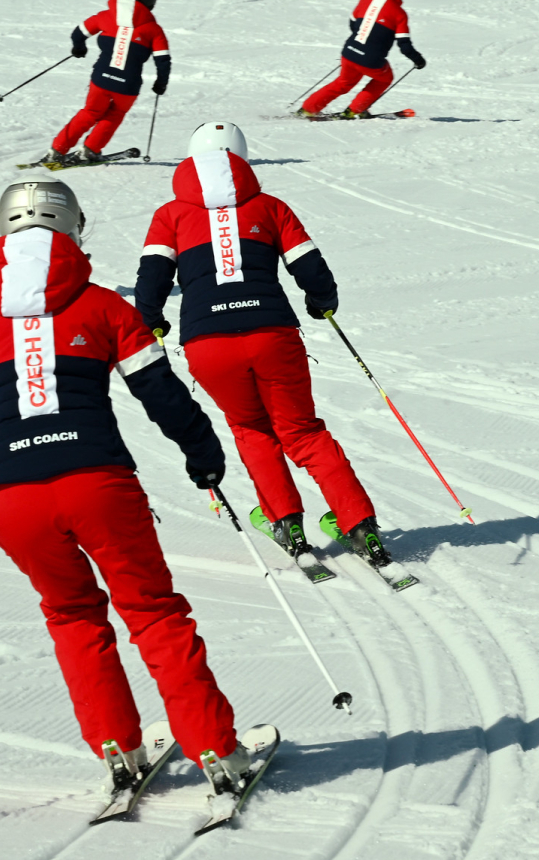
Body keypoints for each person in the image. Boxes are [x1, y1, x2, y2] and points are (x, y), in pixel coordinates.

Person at [0, 176, 271, 796]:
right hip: (99, 485)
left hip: (15, 500)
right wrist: (205, 457)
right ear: (73, 228)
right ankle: (219, 754)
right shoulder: (103, 305)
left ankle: (119, 749)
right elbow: (161, 394)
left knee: (71, 617)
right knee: (154, 613)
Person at [132, 122, 391, 566]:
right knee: (303, 431)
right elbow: (308, 266)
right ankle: (358, 525)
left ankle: (285, 522)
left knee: (252, 428)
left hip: (207, 343)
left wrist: (151, 320)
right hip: (273, 333)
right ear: (243, 160)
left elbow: (151, 279)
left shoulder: (170, 215)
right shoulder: (269, 207)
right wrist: (321, 301)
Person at [44, 0, 169, 165]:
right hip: (127, 86)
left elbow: (78, 33)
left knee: (90, 112)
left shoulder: (106, 16)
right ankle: (89, 151)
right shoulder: (153, 29)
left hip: (101, 79)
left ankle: (57, 150)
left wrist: (79, 48)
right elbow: (163, 60)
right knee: (115, 115)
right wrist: (161, 83)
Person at [299, 0, 425, 119]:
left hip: (349, 53)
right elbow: (405, 46)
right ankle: (354, 111)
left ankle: (308, 109)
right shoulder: (399, 13)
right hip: (371, 60)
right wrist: (418, 60)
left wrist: (360, 43)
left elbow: (353, 24)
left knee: (343, 83)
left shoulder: (366, 1)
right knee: (384, 79)